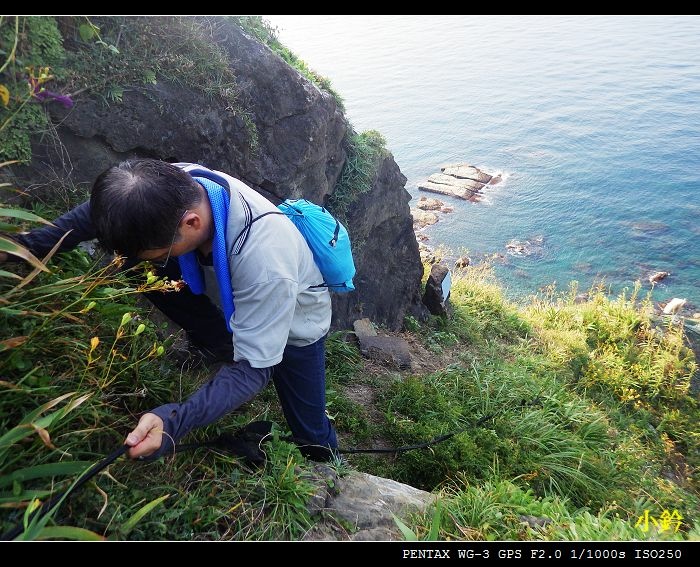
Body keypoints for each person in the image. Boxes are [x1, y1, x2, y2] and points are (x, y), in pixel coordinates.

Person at [1, 159, 338, 461]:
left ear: (192, 223)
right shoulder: (169, 186)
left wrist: (174, 421)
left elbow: (253, 368)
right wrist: (24, 247)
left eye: (160, 252)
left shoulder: (265, 263)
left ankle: (326, 459)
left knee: (309, 427)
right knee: (138, 266)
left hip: (297, 322)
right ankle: (220, 345)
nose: (155, 259)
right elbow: (101, 211)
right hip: (253, 287)